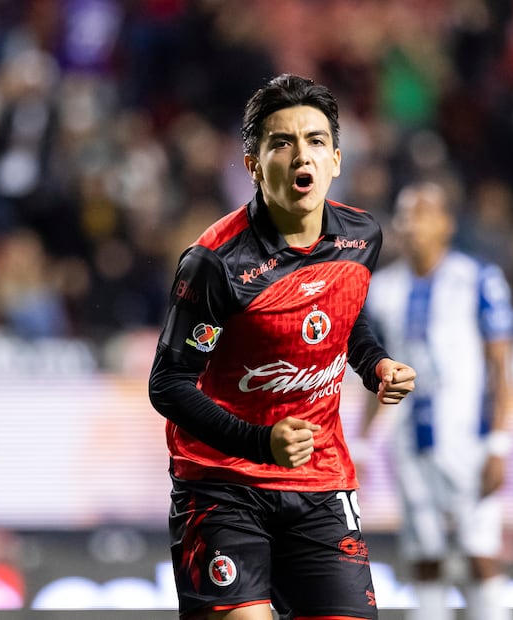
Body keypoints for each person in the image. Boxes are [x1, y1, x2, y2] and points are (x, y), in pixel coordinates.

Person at [148, 73, 416, 620]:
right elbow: (168, 384)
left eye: (316, 141)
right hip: (222, 488)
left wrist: (375, 363)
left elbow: (348, 314)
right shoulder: (215, 264)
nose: (303, 156)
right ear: (252, 164)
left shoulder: (361, 238)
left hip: (320, 483)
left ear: (337, 160)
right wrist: (259, 442)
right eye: (282, 142)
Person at [357, 181, 513, 620]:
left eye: (422, 213)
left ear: (446, 224)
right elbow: (377, 375)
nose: (411, 223)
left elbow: (501, 367)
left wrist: (500, 443)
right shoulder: (382, 289)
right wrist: (364, 443)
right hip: (410, 442)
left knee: (479, 553)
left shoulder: (479, 279)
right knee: (424, 556)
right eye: (405, 214)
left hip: (468, 440)